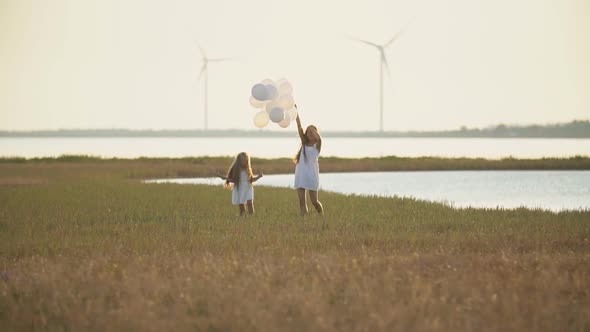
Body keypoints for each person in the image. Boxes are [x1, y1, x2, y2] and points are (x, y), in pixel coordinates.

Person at [293, 105, 324, 216]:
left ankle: (321, 215)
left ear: (316, 134)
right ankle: (304, 221)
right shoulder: (304, 143)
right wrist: (295, 112)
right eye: (308, 132)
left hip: (311, 175)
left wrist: (312, 129)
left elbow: (319, 138)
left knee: (314, 201)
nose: (310, 134)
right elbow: (299, 126)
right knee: (302, 201)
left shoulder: (317, 145)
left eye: (312, 132)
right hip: (301, 174)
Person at [217, 152, 263, 217]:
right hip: (239, 188)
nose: (244, 161)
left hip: (248, 188)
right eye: (242, 159)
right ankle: (242, 218)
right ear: (239, 160)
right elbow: (234, 181)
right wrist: (225, 178)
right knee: (242, 206)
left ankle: (252, 218)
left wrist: (258, 176)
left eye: (245, 159)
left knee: (250, 203)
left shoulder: (248, 169)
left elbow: (251, 180)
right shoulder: (236, 169)